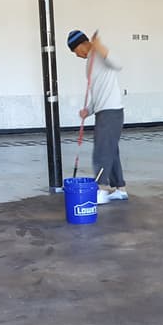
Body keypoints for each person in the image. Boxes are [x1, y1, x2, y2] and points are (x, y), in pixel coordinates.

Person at [67, 30, 128, 205]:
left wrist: (100, 46)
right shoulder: (90, 63)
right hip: (104, 111)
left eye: (74, 51)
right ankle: (120, 189)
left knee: (102, 150)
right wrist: (89, 110)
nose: (76, 55)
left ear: (80, 46)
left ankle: (101, 189)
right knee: (111, 151)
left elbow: (119, 63)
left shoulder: (99, 54)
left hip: (111, 111)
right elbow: (98, 92)